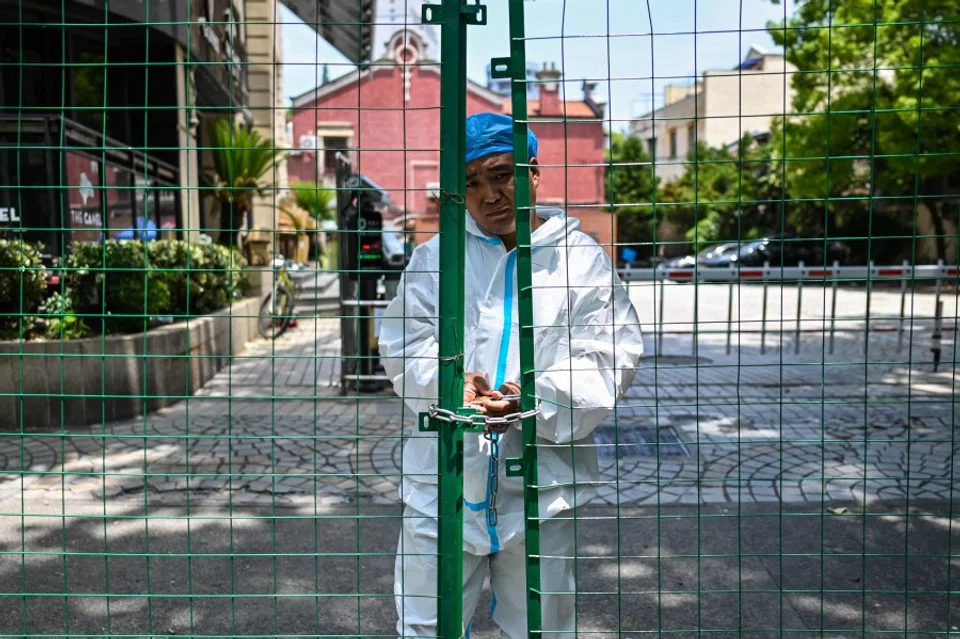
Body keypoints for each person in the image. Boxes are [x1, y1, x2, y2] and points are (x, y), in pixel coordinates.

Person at [377, 112, 644, 639]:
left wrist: (534, 396)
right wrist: (451, 384)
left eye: (502, 174)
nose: (489, 194)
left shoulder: (578, 260)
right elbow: (403, 343)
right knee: (426, 624)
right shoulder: (436, 258)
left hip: (544, 484)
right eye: (472, 183)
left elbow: (609, 355)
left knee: (542, 627)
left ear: (534, 172)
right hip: (445, 477)